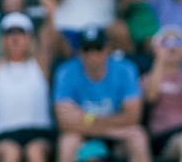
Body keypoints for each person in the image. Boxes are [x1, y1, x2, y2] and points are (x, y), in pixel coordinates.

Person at [0, 0, 57, 162]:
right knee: (11, 153)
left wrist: (51, 14)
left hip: (38, 133)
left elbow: (48, 40)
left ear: (30, 38)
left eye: (20, 32)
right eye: (9, 33)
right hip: (5, 135)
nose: (15, 37)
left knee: (35, 152)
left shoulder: (39, 64)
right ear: (2, 39)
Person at [51, 27, 149, 162]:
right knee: (68, 142)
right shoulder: (66, 72)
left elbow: (133, 116)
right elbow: (64, 122)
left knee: (138, 137)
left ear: (107, 49)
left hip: (109, 132)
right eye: (87, 50)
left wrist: (85, 119)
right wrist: (110, 128)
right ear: (79, 52)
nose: (93, 55)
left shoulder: (126, 69)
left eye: (98, 48)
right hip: (87, 134)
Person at [142, 26, 182, 159]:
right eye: (165, 42)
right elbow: (151, 97)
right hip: (162, 135)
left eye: (177, 42)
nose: (172, 47)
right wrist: (160, 59)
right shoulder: (147, 78)